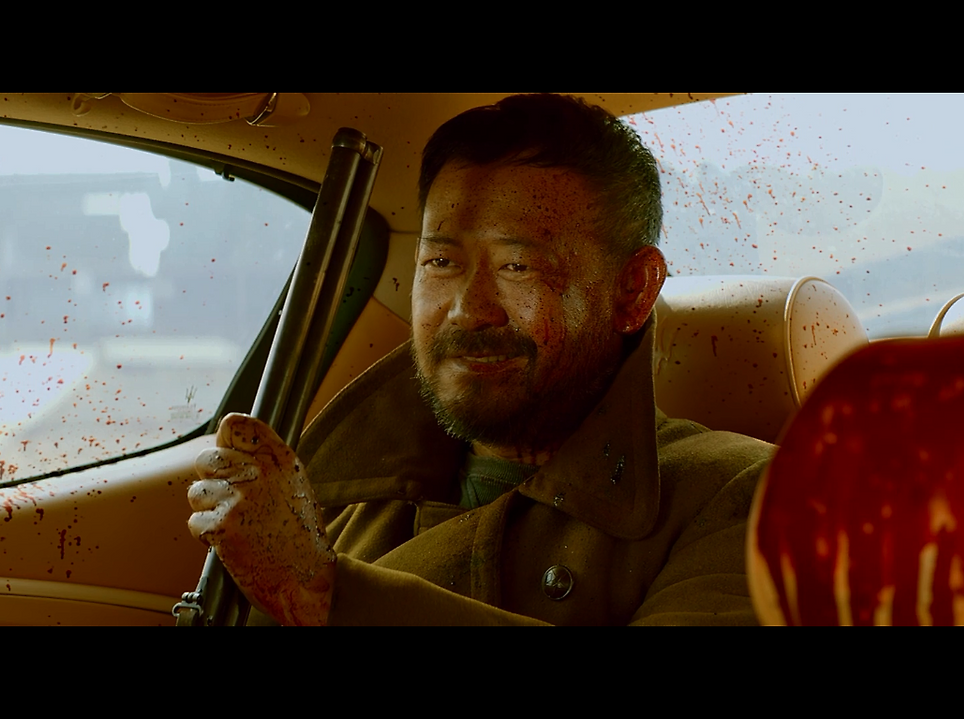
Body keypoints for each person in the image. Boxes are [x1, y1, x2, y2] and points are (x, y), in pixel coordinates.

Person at [187, 94, 776, 626]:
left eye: (518, 267)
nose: (469, 310)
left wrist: (327, 592)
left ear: (632, 291)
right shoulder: (338, 504)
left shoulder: (746, 496)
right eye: (441, 263)